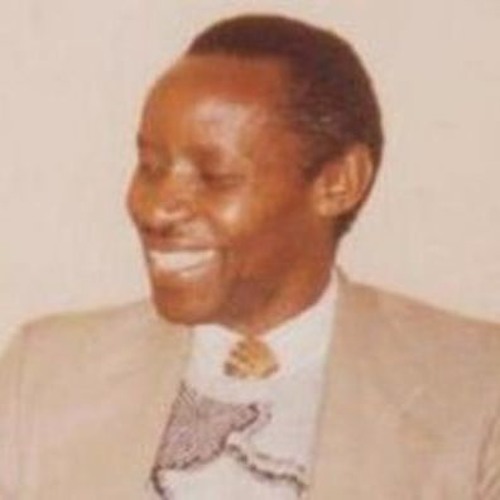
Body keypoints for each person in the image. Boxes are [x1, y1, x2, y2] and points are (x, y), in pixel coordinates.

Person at [1, 14, 499, 500]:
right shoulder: (43, 374)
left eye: (215, 177)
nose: (155, 209)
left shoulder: (476, 388)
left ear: (337, 183)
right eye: (150, 167)